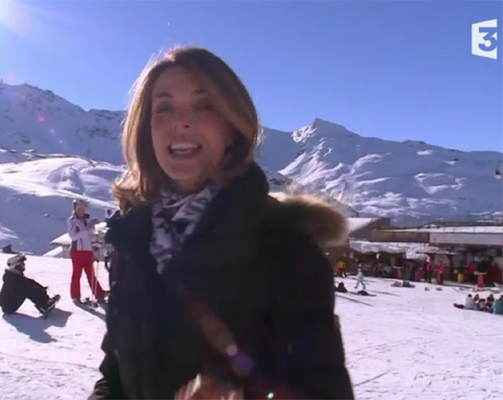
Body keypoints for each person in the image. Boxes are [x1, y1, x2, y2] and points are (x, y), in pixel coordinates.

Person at [88, 46, 353, 400]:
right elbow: (116, 373)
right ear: (145, 130)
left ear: (233, 127)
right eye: (164, 107)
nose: (181, 121)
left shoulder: (286, 252)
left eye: (203, 105)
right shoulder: (132, 240)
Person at [67, 199, 107, 304]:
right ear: (75, 209)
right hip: (77, 251)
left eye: (83, 209)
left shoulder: (86, 221)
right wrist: (87, 230)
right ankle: (75, 296)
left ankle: (99, 293)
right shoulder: (72, 221)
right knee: (77, 274)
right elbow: (73, 236)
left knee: (91, 274)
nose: (82, 211)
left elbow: (90, 236)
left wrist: (95, 241)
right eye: (80, 209)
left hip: (87, 251)